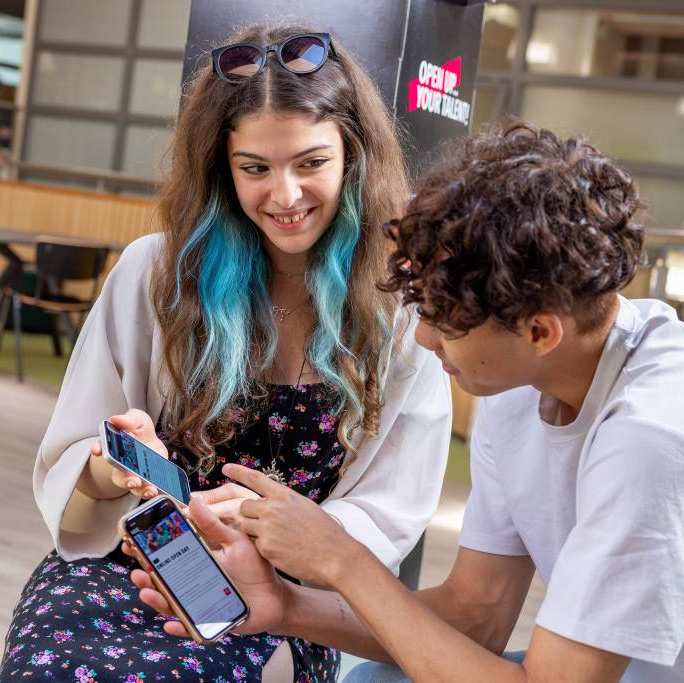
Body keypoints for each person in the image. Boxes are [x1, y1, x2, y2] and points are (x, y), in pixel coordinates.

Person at [132, 122, 684, 683]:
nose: (424, 339)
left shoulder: (651, 436)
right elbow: (477, 616)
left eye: (446, 321)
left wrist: (339, 558)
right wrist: (285, 605)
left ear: (540, 332)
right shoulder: (522, 382)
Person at [0, 23, 452, 683]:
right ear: (222, 167)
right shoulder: (156, 271)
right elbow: (78, 458)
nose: (286, 195)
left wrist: (256, 524)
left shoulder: (401, 309)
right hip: (129, 562)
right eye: (255, 168)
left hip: (277, 599)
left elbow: (389, 512)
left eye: (311, 163)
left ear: (353, 157)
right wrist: (118, 466)